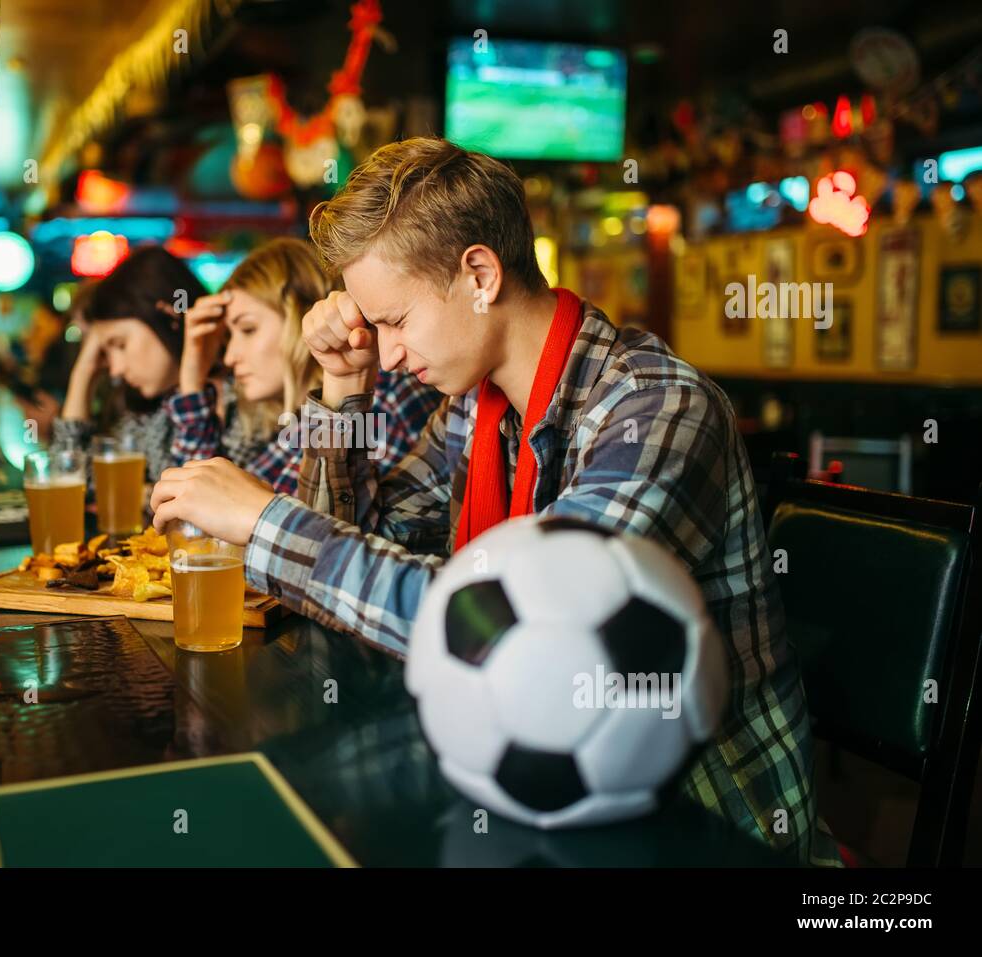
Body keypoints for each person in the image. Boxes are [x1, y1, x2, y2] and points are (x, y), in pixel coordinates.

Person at [148, 137, 842, 867]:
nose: (387, 355)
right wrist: (343, 394)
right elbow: (352, 557)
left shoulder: (655, 408)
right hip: (542, 791)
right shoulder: (475, 412)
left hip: (702, 825)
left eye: (396, 321)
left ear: (479, 273)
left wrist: (264, 520)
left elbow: (531, 651)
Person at [167, 237, 441, 492]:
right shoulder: (290, 418)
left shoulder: (383, 394)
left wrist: (192, 385)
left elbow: (287, 525)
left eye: (248, 329)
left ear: (302, 318)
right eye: (228, 338)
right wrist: (192, 380)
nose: (229, 357)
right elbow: (204, 508)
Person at [55, 246, 222, 480]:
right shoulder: (149, 408)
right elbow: (74, 481)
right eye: (106, 352)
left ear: (169, 316)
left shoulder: (234, 399)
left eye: (120, 344)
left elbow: (191, 503)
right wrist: (82, 374)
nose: (115, 370)